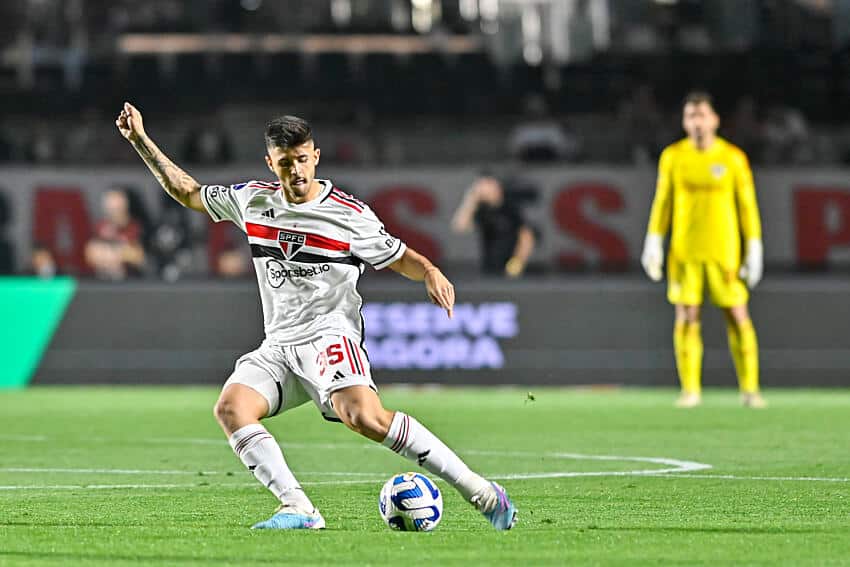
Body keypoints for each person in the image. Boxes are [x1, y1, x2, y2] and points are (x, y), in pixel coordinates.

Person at [115, 102, 517, 530]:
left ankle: (479, 490)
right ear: (271, 163)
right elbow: (188, 192)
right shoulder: (252, 201)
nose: (296, 171)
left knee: (366, 418)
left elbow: (399, 256)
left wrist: (431, 273)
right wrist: (141, 141)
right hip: (279, 345)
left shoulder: (348, 214)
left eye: (303, 160)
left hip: (329, 336)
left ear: (316, 157)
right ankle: (299, 508)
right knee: (232, 408)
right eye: (286, 163)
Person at [641, 91, 766, 409]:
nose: (696, 122)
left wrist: (754, 247)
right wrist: (653, 241)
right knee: (686, 317)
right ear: (684, 122)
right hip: (685, 252)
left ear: (715, 120)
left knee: (737, 315)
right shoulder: (673, 157)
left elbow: (747, 206)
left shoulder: (733, 158)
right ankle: (690, 390)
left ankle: (750, 390)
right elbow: (663, 202)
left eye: (701, 115)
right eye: (690, 116)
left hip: (724, 252)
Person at [451, 172, 536, 277]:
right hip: (489, 269)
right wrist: (471, 199)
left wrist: (517, 263)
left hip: (509, 269)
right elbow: (460, 226)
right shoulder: (482, 210)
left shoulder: (510, 208)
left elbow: (526, 238)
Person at [84, 187, 147, 280]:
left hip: (131, 281)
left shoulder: (135, 227)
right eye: (110, 207)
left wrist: (113, 254)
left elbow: (139, 256)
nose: (113, 210)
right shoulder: (100, 227)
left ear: (125, 205)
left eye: (117, 206)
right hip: (103, 280)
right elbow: (91, 254)